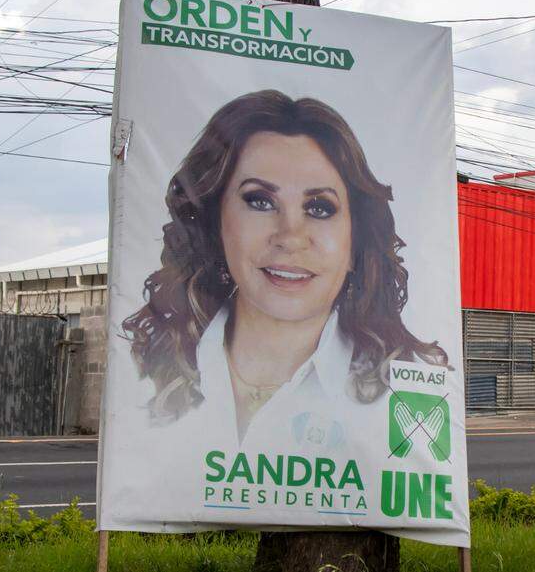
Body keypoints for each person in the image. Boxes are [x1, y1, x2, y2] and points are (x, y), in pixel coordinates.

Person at [121, 89, 448, 446]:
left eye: (320, 208)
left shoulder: (412, 384)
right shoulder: (142, 366)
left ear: (356, 240)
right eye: (260, 201)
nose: (290, 236)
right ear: (216, 223)